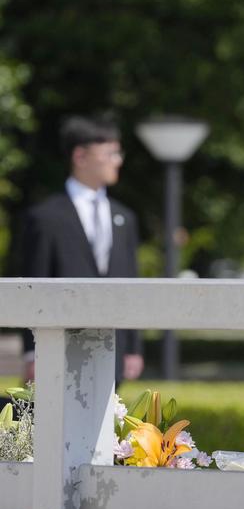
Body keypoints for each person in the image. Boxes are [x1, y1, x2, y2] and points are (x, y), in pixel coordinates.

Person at [20, 115, 144, 382]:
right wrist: (32, 353)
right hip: (59, 346)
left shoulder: (125, 218)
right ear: (80, 156)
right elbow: (33, 283)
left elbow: (131, 282)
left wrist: (133, 348)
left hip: (114, 347)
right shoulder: (45, 217)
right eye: (110, 153)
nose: (118, 160)